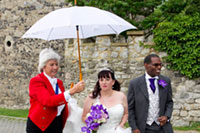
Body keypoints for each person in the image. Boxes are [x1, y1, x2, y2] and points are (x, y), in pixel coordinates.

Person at [26, 48, 85, 133]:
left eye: (56, 64)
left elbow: (61, 100)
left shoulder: (59, 82)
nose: (55, 67)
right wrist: (72, 91)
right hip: (39, 125)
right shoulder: (36, 81)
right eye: (52, 64)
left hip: (56, 123)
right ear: (43, 66)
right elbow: (48, 101)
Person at [127, 54, 174, 133]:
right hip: (143, 128)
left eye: (160, 65)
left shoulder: (165, 81)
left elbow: (169, 102)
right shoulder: (135, 83)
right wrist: (134, 127)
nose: (159, 67)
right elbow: (130, 108)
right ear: (146, 65)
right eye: (155, 65)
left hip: (163, 128)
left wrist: (166, 116)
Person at [82, 68, 131, 133]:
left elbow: (126, 113)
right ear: (99, 82)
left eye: (107, 79)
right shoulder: (91, 97)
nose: (104, 82)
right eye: (101, 80)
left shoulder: (121, 96)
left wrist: (121, 125)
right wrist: (93, 124)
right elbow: (84, 116)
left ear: (113, 82)